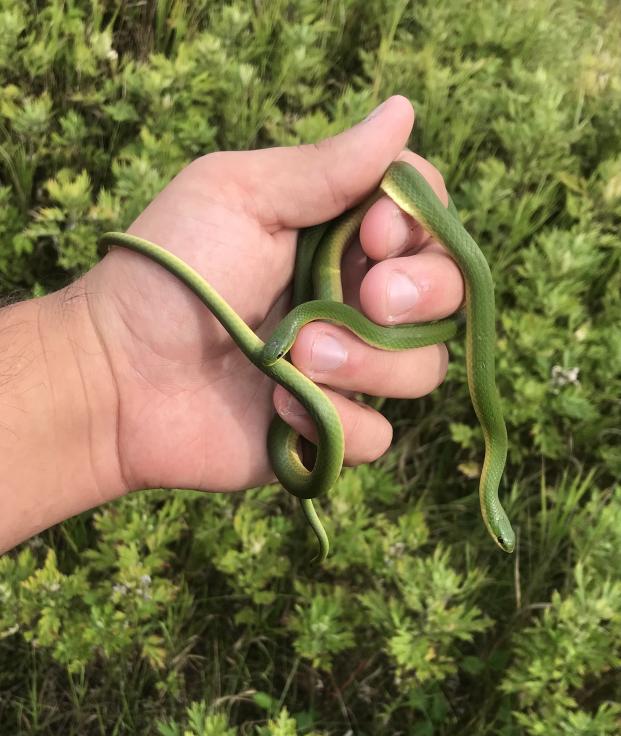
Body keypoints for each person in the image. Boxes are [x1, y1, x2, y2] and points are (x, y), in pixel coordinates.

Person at [0, 95, 464, 553]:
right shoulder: (294, 319)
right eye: (279, 351)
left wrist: (103, 365)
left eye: (277, 351)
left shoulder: (304, 321)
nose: (273, 355)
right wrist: (106, 353)